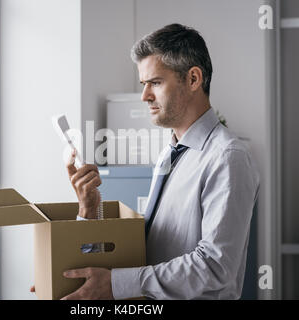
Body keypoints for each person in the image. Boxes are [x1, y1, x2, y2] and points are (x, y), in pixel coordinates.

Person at [32, 23, 260, 300]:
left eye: (155, 82)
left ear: (193, 79)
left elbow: (215, 266)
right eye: (144, 84)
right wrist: (90, 212)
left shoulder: (227, 157)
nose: (144, 96)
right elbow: (148, 249)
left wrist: (115, 284)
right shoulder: (171, 153)